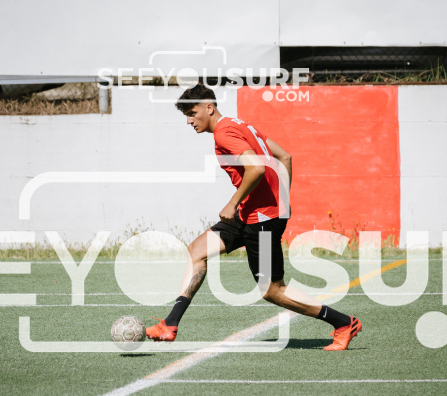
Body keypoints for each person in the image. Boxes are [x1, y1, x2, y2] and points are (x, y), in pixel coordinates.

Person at [146, 83, 361, 351]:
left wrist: (233, 203)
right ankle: (170, 324)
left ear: (209, 107)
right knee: (197, 250)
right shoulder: (240, 124)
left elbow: (257, 168)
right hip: (250, 213)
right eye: (186, 116)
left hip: (261, 219)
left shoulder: (224, 133)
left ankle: (343, 323)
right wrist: (281, 201)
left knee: (272, 291)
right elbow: (285, 157)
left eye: (192, 113)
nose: (189, 121)